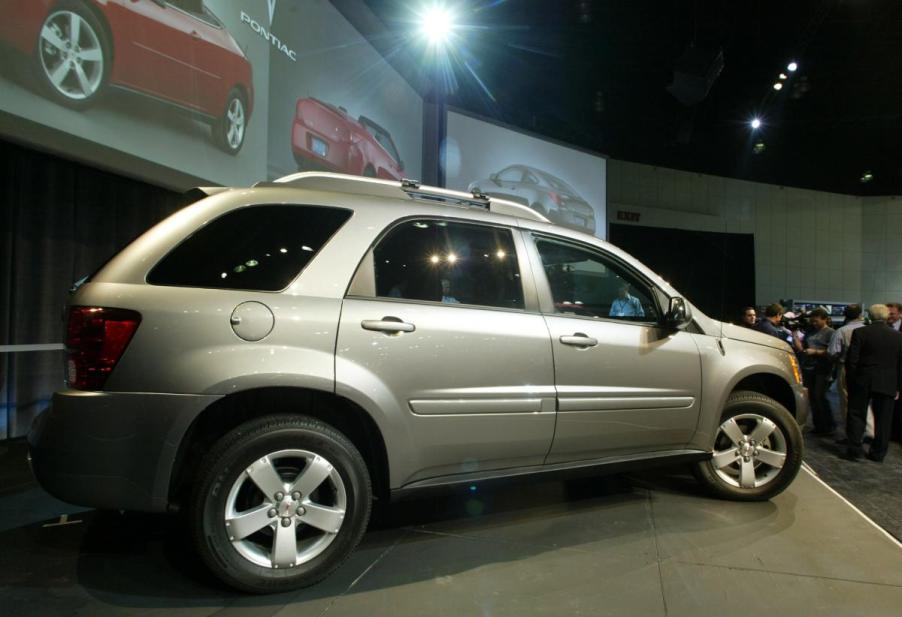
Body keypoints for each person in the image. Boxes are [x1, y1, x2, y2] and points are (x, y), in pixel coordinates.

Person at [843, 304, 902, 462]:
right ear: (886, 316)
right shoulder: (897, 336)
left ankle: (855, 449)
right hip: (888, 382)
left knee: (856, 414)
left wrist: (852, 380)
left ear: (869, 315)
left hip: (863, 380)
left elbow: (852, 360)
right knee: (884, 419)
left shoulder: (860, 332)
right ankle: (878, 453)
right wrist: (898, 386)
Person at [794, 307, 836, 435]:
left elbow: (832, 352)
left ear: (825, 319)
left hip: (822, 369)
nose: (814, 323)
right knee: (812, 398)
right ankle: (819, 426)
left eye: (816, 321)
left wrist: (816, 352)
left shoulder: (831, 333)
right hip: (808, 368)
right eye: (812, 321)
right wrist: (795, 336)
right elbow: (802, 348)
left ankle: (829, 425)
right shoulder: (810, 331)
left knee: (820, 396)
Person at [828, 304, 865, 425]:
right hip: (865, 368)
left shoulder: (841, 331)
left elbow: (833, 352)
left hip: (846, 367)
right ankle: (868, 430)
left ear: (845, 315)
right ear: (860, 315)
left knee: (846, 400)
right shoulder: (867, 330)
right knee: (864, 399)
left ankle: (850, 432)